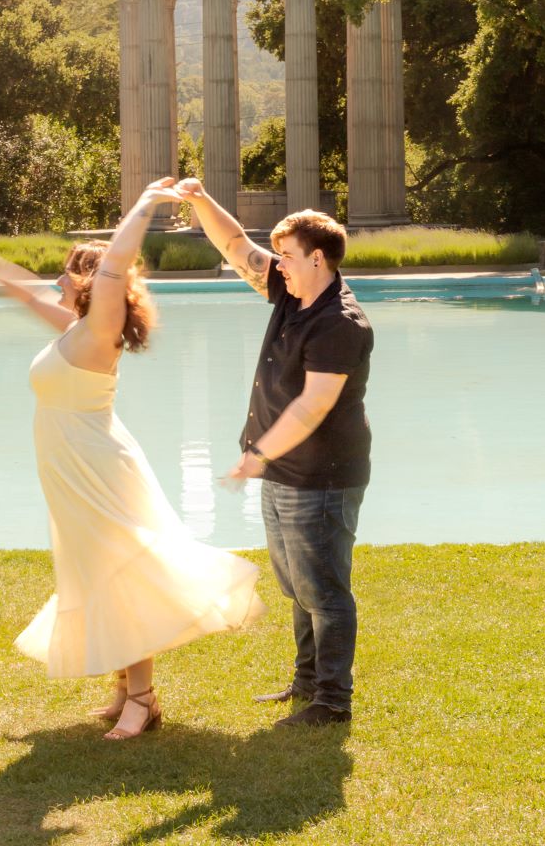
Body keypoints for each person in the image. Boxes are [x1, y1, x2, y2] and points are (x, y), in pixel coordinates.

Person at [0, 178, 264, 741]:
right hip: (73, 471)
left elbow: (116, 263)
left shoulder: (101, 327)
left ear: (92, 283)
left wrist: (144, 204)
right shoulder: (78, 329)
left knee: (118, 573)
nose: (57, 279)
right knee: (97, 572)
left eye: (69, 271)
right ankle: (123, 691)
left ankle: (143, 700)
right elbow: (24, 292)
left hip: (97, 470)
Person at [174, 179, 374, 727]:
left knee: (325, 591)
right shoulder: (293, 291)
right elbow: (236, 244)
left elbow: (313, 407)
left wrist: (257, 454)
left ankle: (333, 701)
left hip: (324, 477)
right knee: (297, 586)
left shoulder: (340, 322)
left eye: (286, 255)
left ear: (317, 258)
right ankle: (307, 683)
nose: (276, 263)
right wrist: (197, 199)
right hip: (286, 470)